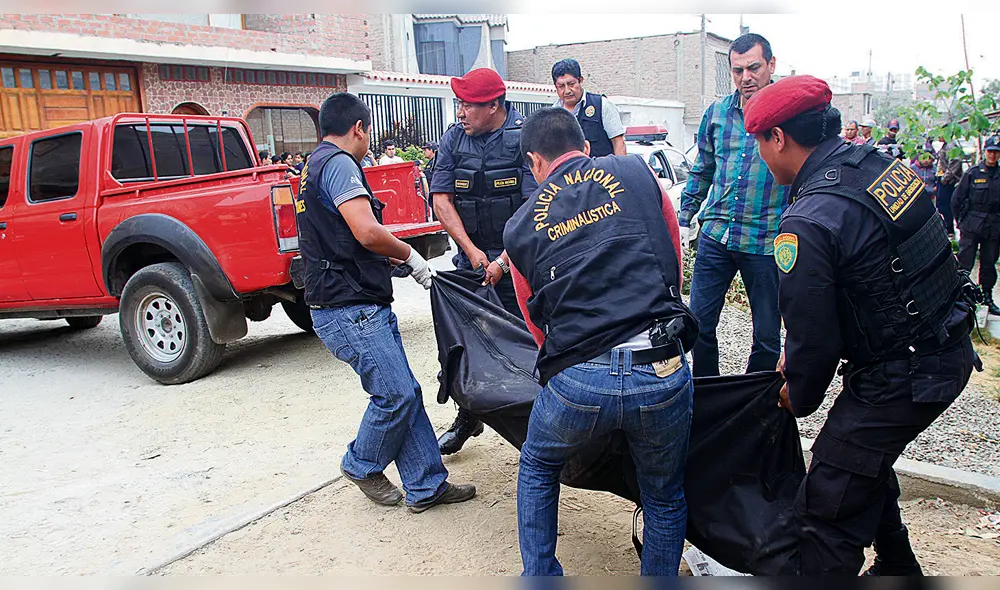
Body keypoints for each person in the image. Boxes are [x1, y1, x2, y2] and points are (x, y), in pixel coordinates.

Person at [745, 75, 978, 576]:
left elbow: (814, 335)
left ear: (779, 138)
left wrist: (798, 393)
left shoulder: (809, 219)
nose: (760, 156)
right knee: (859, 463)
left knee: (827, 506)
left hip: (906, 375)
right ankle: (898, 568)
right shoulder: (876, 165)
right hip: (944, 344)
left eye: (759, 143)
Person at [504, 107, 696, 576]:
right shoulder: (636, 172)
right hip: (660, 364)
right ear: (586, 148)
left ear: (534, 162)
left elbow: (535, 323)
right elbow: (671, 257)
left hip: (580, 378)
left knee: (539, 465)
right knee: (664, 494)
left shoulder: (520, 226)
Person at [296, 92, 476, 513]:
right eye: (369, 132)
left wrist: (396, 263)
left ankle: (426, 485)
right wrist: (412, 257)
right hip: (348, 308)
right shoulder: (340, 165)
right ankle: (360, 462)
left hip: (350, 301)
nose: (369, 140)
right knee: (395, 395)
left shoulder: (314, 164)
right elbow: (366, 231)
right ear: (358, 128)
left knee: (406, 391)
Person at [431, 67, 539, 455]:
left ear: (494, 106)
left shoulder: (525, 138)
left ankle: (538, 429)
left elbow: (535, 206)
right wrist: (474, 254)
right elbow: (441, 198)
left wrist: (504, 261)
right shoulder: (453, 140)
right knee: (465, 343)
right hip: (472, 263)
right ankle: (467, 415)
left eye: (468, 105)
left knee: (528, 344)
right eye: (459, 103)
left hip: (520, 264)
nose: (461, 112)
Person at [679, 32, 788, 378]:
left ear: (771, 65)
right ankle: (709, 397)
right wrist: (685, 218)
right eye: (738, 70)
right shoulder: (717, 114)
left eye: (754, 68)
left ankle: (753, 407)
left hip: (766, 241)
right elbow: (702, 170)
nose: (746, 77)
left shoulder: (789, 116)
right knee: (699, 326)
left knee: (768, 336)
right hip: (717, 237)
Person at [952, 136, 1000, 315]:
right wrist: (960, 222)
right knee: (965, 263)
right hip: (972, 224)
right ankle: (960, 296)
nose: (993, 155)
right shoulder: (973, 173)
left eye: (996, 152)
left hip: (993, 226)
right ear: (984, 152)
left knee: (989, 263)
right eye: (990, 151)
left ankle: (987, 297)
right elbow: (957, 200)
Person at [550, 58, 627, 157]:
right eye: (561, 86)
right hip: (569, 172)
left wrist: (619, 170)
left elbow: (618, 143)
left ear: (580, 80)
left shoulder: (602, 105)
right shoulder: (552, 113)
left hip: (602, 171)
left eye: (571, 84)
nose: (567, 90)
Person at [937, 138, 963, 237]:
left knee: (948, 206)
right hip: (943, 179)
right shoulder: (945, 145)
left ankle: (951, 229)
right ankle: (948, 228)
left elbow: (956, 162)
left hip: (949, 182)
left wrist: (946, 177)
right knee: (942, 206)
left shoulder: (951, 146)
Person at [421, 141, 438, 212]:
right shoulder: (432, 162)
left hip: (435, 192)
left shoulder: (435, 162)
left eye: (425, 150)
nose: (424, 152)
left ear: (431, 150)